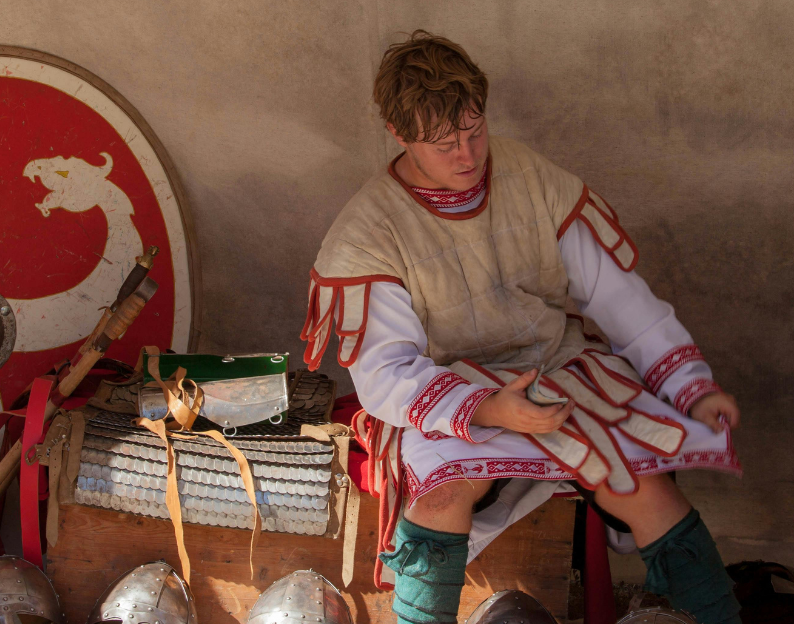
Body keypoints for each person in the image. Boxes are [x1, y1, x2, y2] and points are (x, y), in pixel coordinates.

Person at [300, 31, 743, 624]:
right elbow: (385, 375)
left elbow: (619, 298)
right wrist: (488, 408)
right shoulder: (369, 232)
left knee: (644, 485)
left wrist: (691, 385)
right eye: (443, 144)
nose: (467, 155)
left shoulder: (529, 176)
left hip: (558, 369)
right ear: (400, 136)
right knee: (443, 495)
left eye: (473, 131)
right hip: (449, 394)